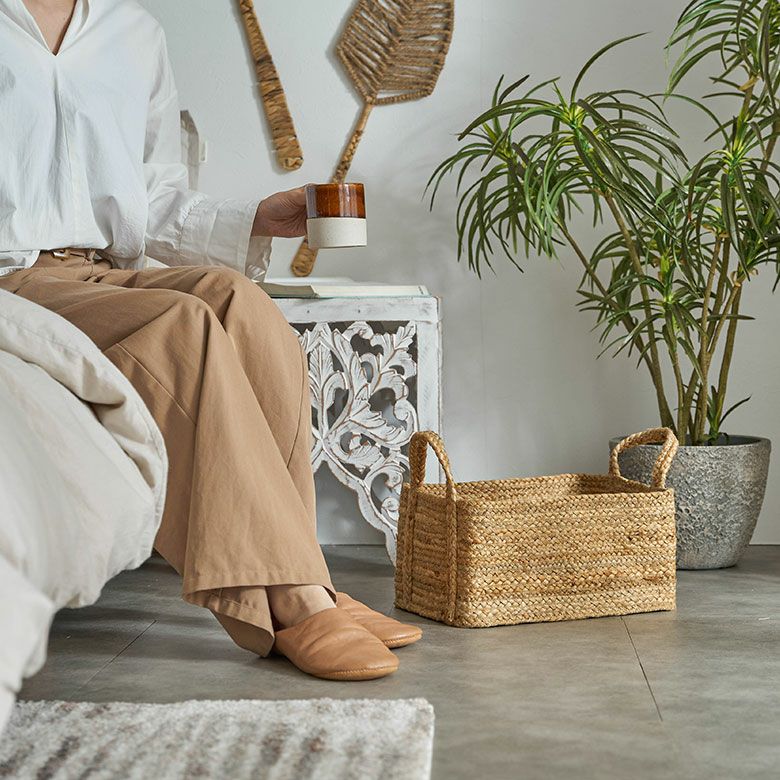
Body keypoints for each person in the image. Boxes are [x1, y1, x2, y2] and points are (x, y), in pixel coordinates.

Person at [0, 0, 421, 681]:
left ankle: (306, 575)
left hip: (102, 269)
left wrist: (257, 218)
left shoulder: (133, 32)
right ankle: (290, 600)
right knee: (180, 325)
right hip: (10, 279)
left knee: (242, 303)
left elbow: (155, 198)